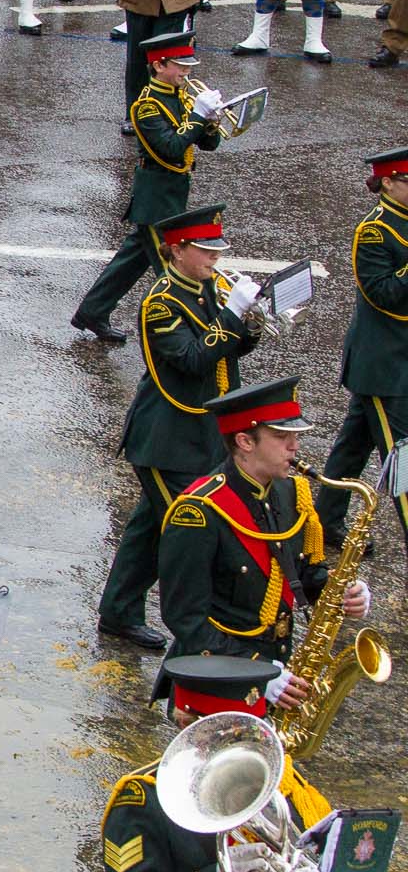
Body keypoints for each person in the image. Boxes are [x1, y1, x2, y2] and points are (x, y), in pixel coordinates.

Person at [102, 655, 376, 872]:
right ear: (187, 726)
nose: (254, 747)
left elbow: (359, 853)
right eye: (234, 735)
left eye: (257, 733)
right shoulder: (144, 800)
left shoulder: (285, 782)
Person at [96, 205, 263, 651]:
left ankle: (118, 612)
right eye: (206, 249)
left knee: (150, 528)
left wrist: (250, 319)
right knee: (188, 532)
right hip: (166, 440)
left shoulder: (206, 289)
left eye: (216, 249)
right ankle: (203, 634)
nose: (214, 258)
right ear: (178, 249)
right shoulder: (162, 302)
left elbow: (228, 353)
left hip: (200, 433)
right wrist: (231, 317)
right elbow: (190, 360)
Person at [157, 376, 374, 667]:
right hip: (217, 673)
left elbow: (303, 573)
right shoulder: (198, 513)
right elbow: (185, 619)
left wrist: (342, 591)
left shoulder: (291, 492)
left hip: (275, 665)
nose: (295, 447)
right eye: (283, 437)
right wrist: (258, 671)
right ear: (245, 441)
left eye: (295, 437)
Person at [72, 31, 225, 344]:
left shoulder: (181, 96)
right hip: (156, 197)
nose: (186, 71)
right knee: (177, 268)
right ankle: (202, 330)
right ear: (158, 65)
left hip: (174, 191)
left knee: (132, 260)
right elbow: (169, 148)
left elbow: (207, 144)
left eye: (188, 65)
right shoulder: (146, 107)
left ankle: (92, 310)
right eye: (180, 66)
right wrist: (197, 117)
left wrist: (211, 121)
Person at [315, 148, 408, 542]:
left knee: (354, 445)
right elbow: (382, 294)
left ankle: (323, 521)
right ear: (387, 183)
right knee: (403, 454)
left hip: (398, 360)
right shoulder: (374, 231)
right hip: (385, 364)